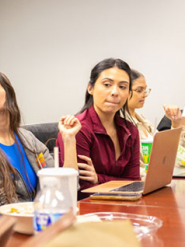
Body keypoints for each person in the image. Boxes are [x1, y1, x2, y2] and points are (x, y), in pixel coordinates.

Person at [0, 68, 81, 214]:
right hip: (9, 227)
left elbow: (63, 189)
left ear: (8, 93)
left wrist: (69, 139)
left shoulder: (28, 139)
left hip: (42, 221)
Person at [56, 58, 140, 192]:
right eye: (107, 84)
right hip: (87, 208)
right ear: (90, 88)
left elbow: (134, 183)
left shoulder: (130, 130)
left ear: (129, 93)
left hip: (123, 205)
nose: (115, 92)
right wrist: (116, 183)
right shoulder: (78, 129)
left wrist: (99, 178)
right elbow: (83, 188)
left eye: (122, 87)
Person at [125, 69, 185, 174]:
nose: (144, 95)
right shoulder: (121, 123)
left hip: (158, 178)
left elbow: (174, 156)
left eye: (145, 90)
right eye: (139, 90)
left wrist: (176, 123)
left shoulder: (142, 120)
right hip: (144, 181)